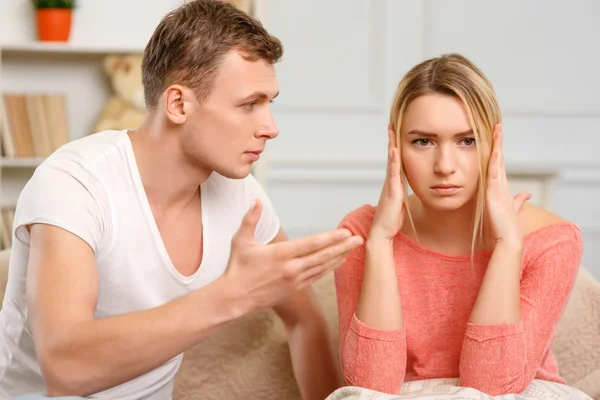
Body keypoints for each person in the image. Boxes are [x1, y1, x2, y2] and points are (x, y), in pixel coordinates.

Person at [0, 1, 363, 399]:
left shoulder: (239, 195)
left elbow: (305, 320)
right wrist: (231, 296)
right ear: (178, 104)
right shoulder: (74, 183)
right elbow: (65, 368)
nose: (270, 128)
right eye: (249, 105)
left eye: (269, 103)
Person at [334, 53, 583, 396]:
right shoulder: (361, 233)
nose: (445, 166)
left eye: (468, 140)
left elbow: (494, 387)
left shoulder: (552, 240)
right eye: (423, 141)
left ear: (495, 144)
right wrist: (379, 242)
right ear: (395, 146)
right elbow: (370, 387)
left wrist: (509, 245)